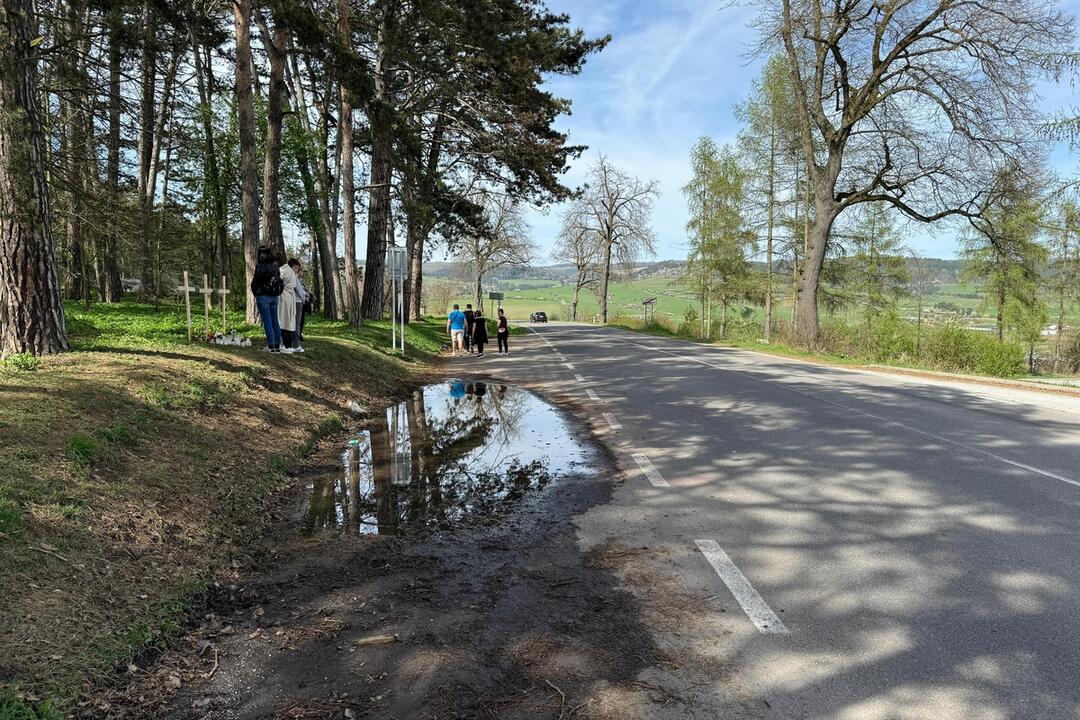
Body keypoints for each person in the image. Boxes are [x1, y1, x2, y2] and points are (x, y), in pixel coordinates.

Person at [251, 246, 284, 352]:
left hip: (263, 295)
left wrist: (255, 292)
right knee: (275, 320)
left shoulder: (260, 266)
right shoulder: (275, 266)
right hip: (274, 296)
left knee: (267, 321)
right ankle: (277, 345)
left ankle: (271, 346)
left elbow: (256, 281)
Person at [276, 251, 298, 354]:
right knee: (287, 321)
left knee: (283, 321)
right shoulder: (288, 269)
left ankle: (285, 345)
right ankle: (287, 345)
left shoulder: (284, 270)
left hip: (285, 297)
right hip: (288, 297)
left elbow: (277, 280)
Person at [288, 258, 307, 352]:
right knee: (296, 324)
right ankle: (296, 345)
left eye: (297, 269)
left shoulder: (288, 276)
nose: (296, 270)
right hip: (297, 302)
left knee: (292, 323)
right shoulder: (293, 277)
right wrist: (304, 298)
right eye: (295, 268)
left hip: (291, 301)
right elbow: (299, 291)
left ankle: (289, 343)